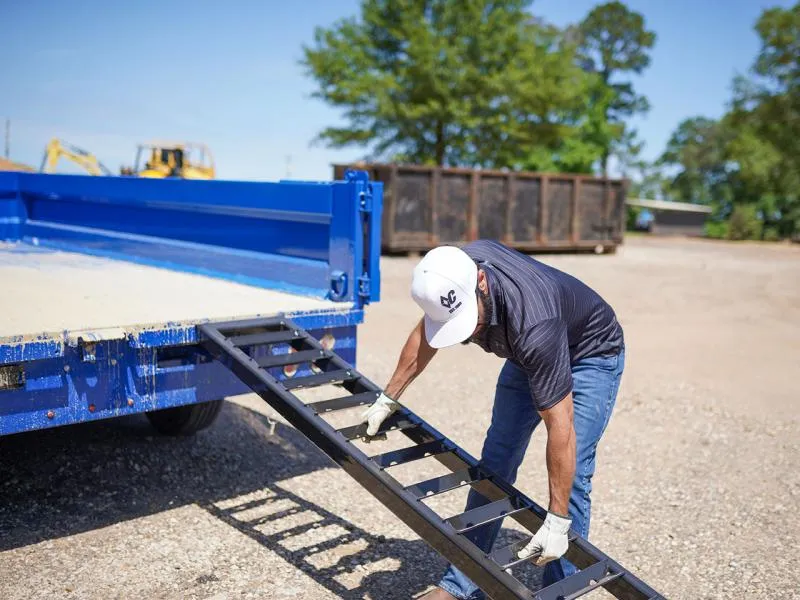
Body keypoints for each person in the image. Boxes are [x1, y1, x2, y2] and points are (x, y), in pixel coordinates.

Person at [359, 240, 626, 599]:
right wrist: (387, 398)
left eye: (469, 319)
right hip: (524, 351)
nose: (468, 333)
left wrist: (557, 518)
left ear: (481, 282)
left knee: (574, 474)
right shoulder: (449, 272)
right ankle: (459, 584)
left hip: (588, 354)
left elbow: (560, 426)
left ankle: (559, 590)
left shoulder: (536, 323)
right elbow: (425, 334)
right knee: (496, 461)